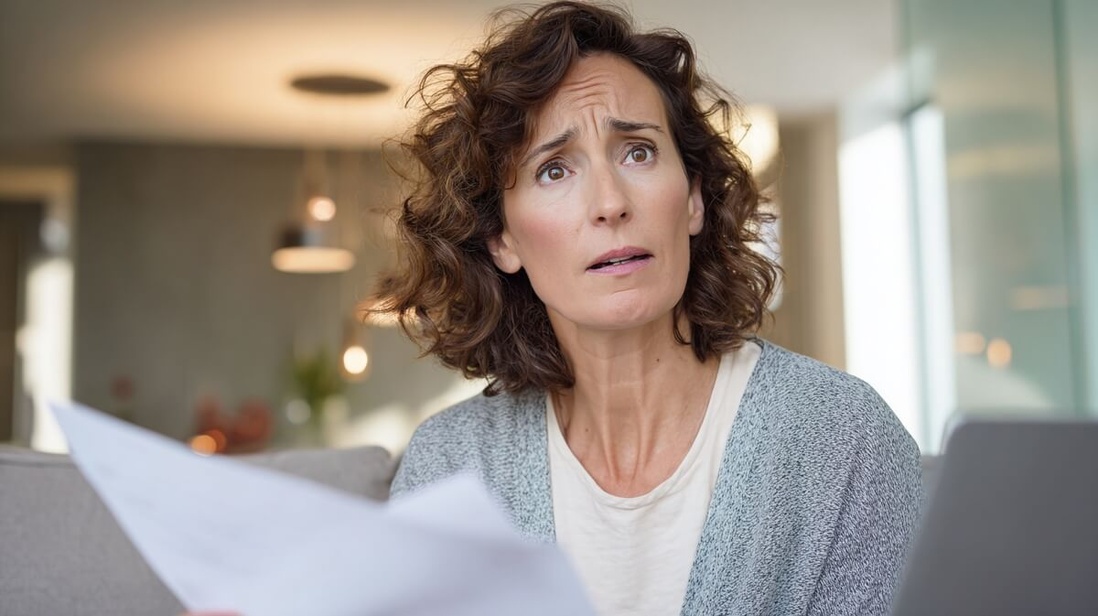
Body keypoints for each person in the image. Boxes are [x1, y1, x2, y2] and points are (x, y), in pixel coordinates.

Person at [375, 2, 923, 615]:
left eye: (637, 152)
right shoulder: (450, 466)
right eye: (554, 170)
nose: (610, 203)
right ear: (502, 239)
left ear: (692, 199)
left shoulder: (842, 439)